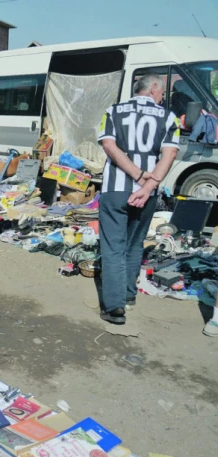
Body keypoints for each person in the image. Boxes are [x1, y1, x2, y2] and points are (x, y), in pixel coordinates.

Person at [97, 74, 180, 325]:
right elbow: (170, 153)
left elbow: (109, 145)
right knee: (135, 244)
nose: (162, 97)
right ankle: (128, 295)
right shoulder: (169, 117)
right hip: (148, 193)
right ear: (153, 88)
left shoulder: (112, 111)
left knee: (113, 246)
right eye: (162, 92)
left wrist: (136, 174)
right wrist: (148, 184)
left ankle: (114, 308)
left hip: (115, 189)